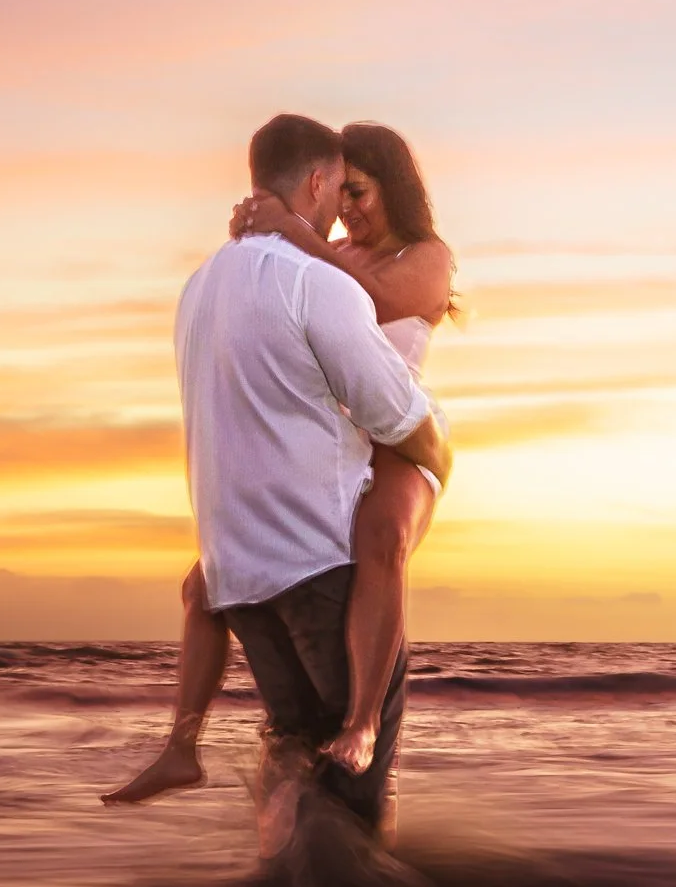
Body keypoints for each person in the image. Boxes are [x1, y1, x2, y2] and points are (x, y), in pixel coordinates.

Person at [102, 118, 453, 812]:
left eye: (359, 191)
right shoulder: (332, 253)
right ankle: (182, 745)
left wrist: (291, 229)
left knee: (381, 541)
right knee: (207, 580)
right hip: (342, 443)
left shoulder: (426, 255)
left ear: (393, 187)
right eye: (339, 193)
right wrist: (275, 234)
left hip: (401, 439)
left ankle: (362, 723)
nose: (347, 208)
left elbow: (377, 303)